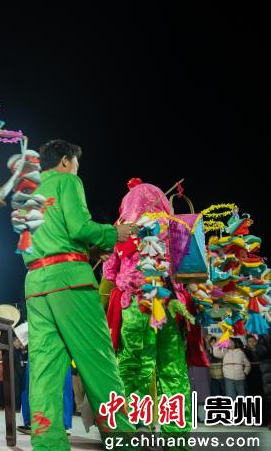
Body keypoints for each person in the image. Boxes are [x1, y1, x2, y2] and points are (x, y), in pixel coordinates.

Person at [15, 139, 137, 450]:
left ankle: (48, 443)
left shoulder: (27, 193)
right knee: (98, 360)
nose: (76, 170)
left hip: (36, 284)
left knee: (45, 368)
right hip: (69, 281)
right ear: (66, 161)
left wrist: (87, 250)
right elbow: (80, 227)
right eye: (76, 164)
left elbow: (40, 240)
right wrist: (113, 233)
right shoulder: (68, 181)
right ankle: (122, 438)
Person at [103, 179, 195, 436]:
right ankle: (177, 437)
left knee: (130, 367)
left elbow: (109, 273)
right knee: (172, 369)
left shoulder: (123, 231)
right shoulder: (175, 228)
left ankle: (127, 431)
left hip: (135, 306)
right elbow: (188, 271)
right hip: (167, 305)